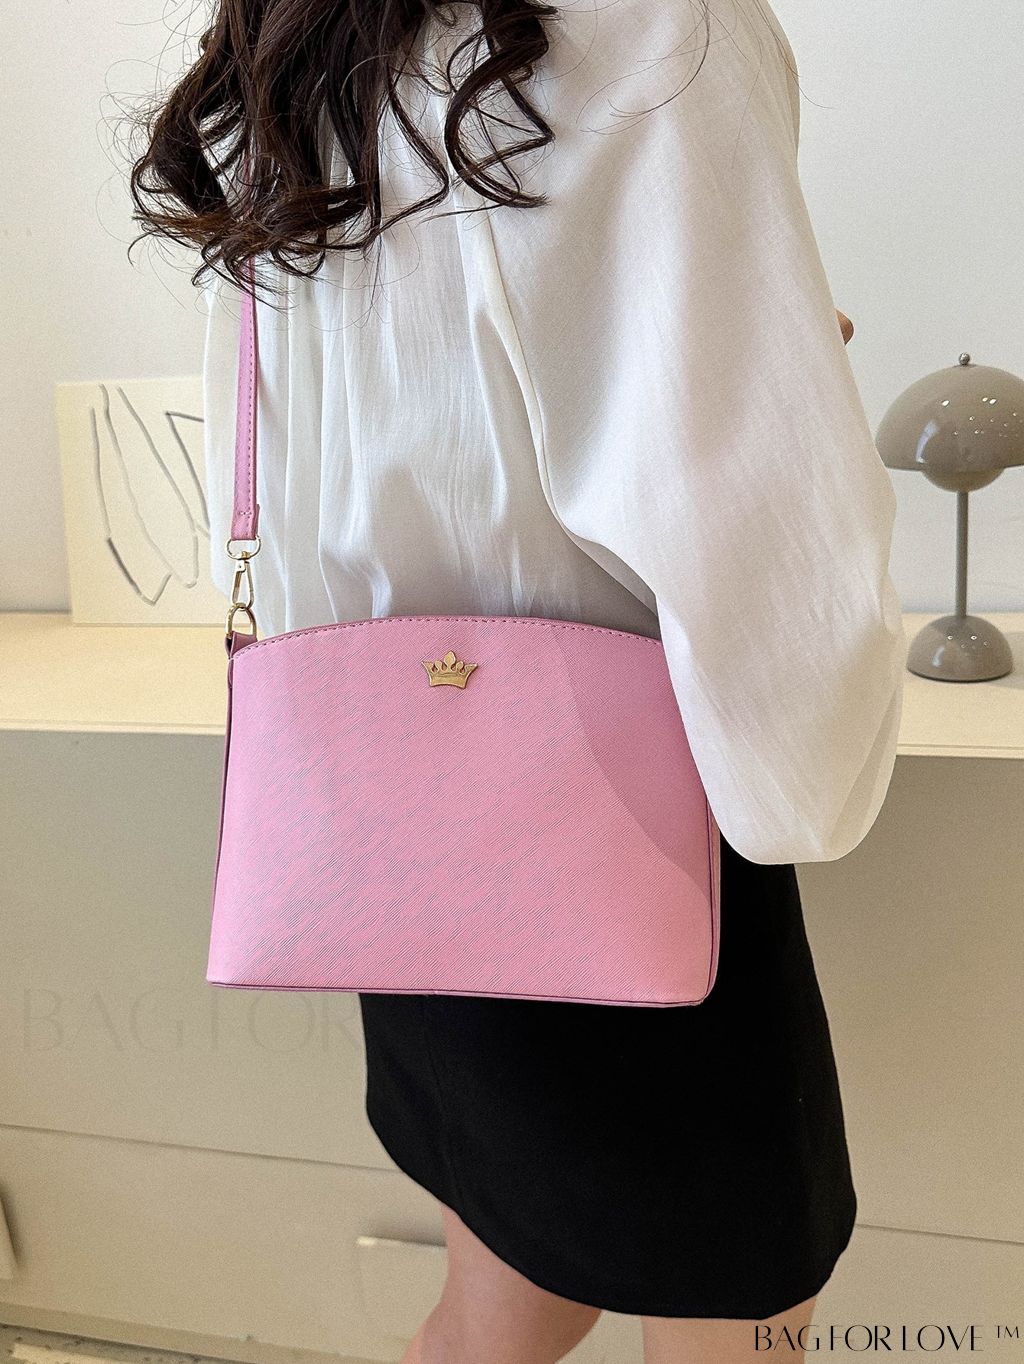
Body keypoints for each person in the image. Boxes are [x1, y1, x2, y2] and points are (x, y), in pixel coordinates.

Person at [129, 0, 905, 1358]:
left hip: (397, 815)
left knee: (501, 1298)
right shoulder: (652, 25)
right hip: (626, 819)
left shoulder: (293, 46)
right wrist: (810, 779)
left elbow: (313, 449)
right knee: (741, 1319)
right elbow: (743, 505)